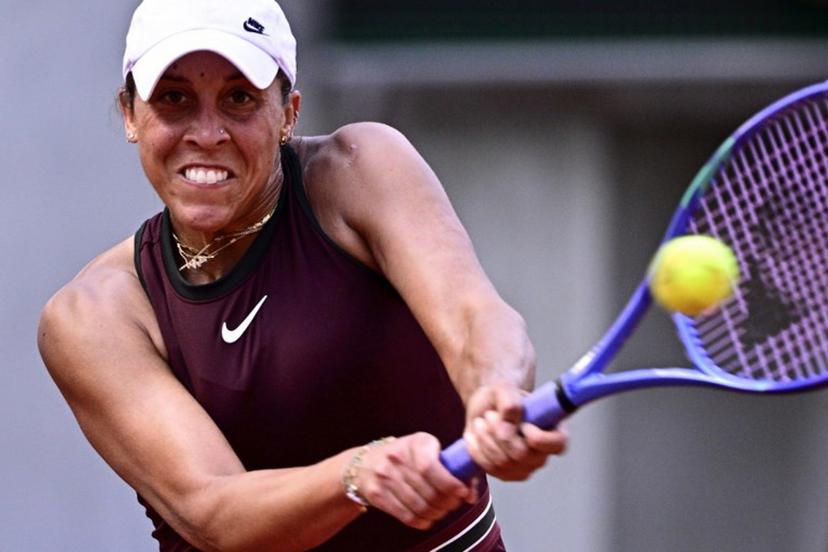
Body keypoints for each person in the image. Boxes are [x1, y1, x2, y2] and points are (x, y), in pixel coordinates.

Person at [37, 0, 568, 550]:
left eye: (239, 98)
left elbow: (475, 317)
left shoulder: (359, 169)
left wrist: (496, 391)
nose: (208, 133)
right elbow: (212, 509)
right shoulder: (92, 316)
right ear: (130, 115)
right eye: (174, 99)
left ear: (288, 114)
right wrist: (357, 475)